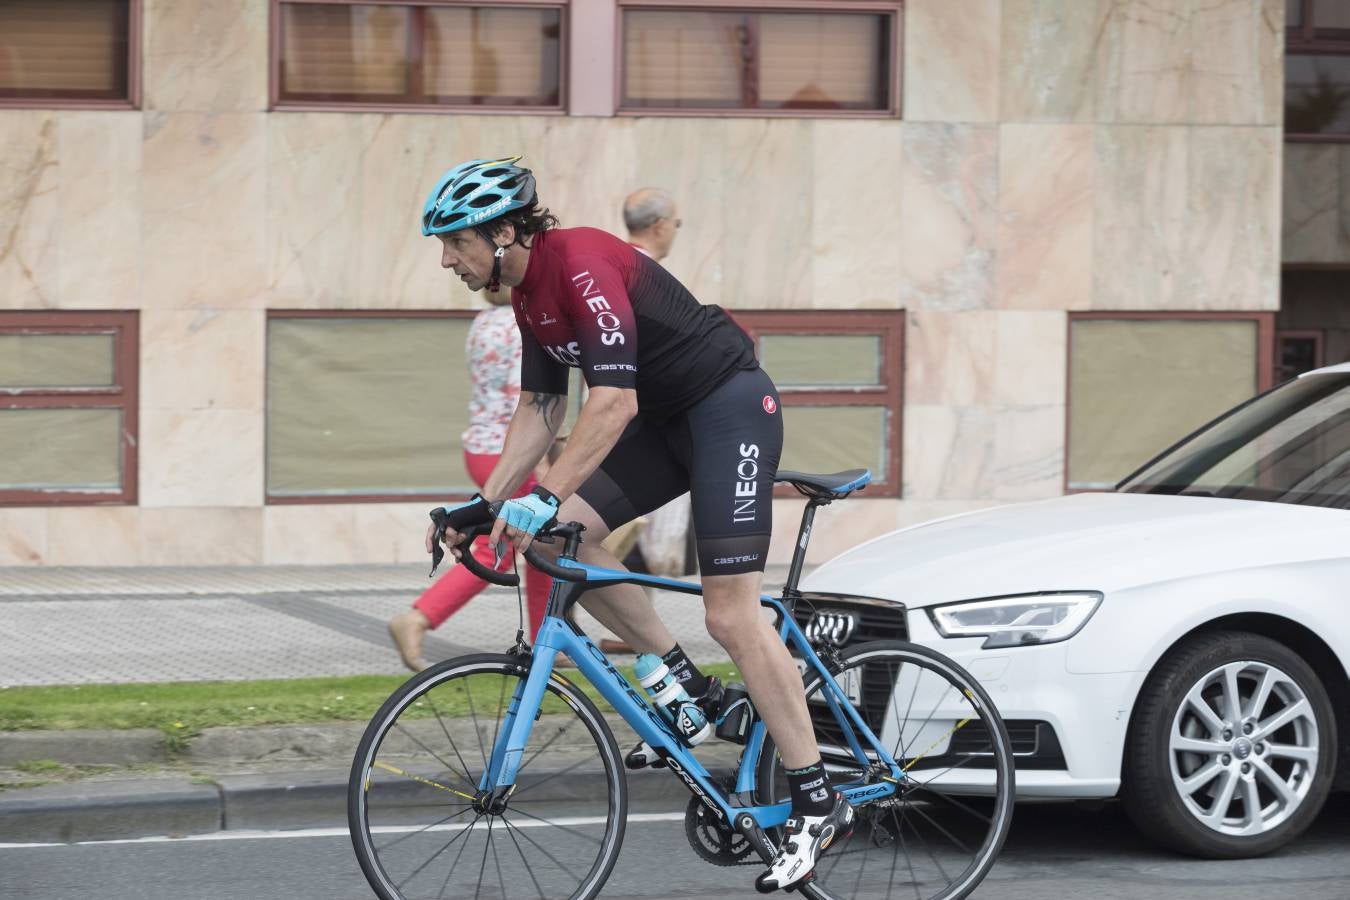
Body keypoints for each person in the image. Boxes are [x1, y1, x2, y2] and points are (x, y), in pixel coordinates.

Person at [420, 156, 853, 892]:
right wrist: (489, 502)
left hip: (728, 411)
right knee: (570, 542)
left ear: (501, 233)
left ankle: (818, 797)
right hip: (666, 424)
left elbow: (612, 402)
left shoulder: (582, 261)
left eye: (455, 242)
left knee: (731, 616)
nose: (446, 259)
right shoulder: (528, 297)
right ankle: (690, 694)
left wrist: (544, 493)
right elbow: (539, 410)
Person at [386, 293, 552, 673]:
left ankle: (546, 641)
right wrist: (542, 462)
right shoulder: (521, 325)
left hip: (480, 446)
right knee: (502, 548)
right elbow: (526, 400)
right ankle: (418, 618)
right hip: (509, 452)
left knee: (538, 543)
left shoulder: (483, 324)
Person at [621, 187, 681, 262]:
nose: (675, 231)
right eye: (677, 224)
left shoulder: (612, 263)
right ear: (661, 227)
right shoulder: (644, 271)